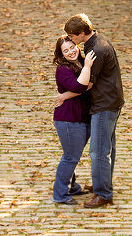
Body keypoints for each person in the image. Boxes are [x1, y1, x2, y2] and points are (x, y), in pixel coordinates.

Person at [63, 14, 124, 208]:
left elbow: (87, 84)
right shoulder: (96, 41)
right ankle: (103, 183)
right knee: (107, 148)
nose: (70, 39)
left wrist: (65, 95)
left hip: (104, 104)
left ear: (82, 33)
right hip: (111, 100)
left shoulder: (96, 49)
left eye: (71, 36)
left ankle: (104, 194)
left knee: (98, 151)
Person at [52, 35, 96, 205]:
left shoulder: (82, 61)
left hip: (82, 117)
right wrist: (88, 67)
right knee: (70, 157)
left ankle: (72, 187)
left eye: (72, 47)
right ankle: (60, 194)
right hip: (69, 120)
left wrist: (64, 95)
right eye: (66, 50)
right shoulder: (63, 69)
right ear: (61, 54)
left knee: (72, 155)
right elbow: (80, 86)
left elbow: (92, 83)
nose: (70, 52)